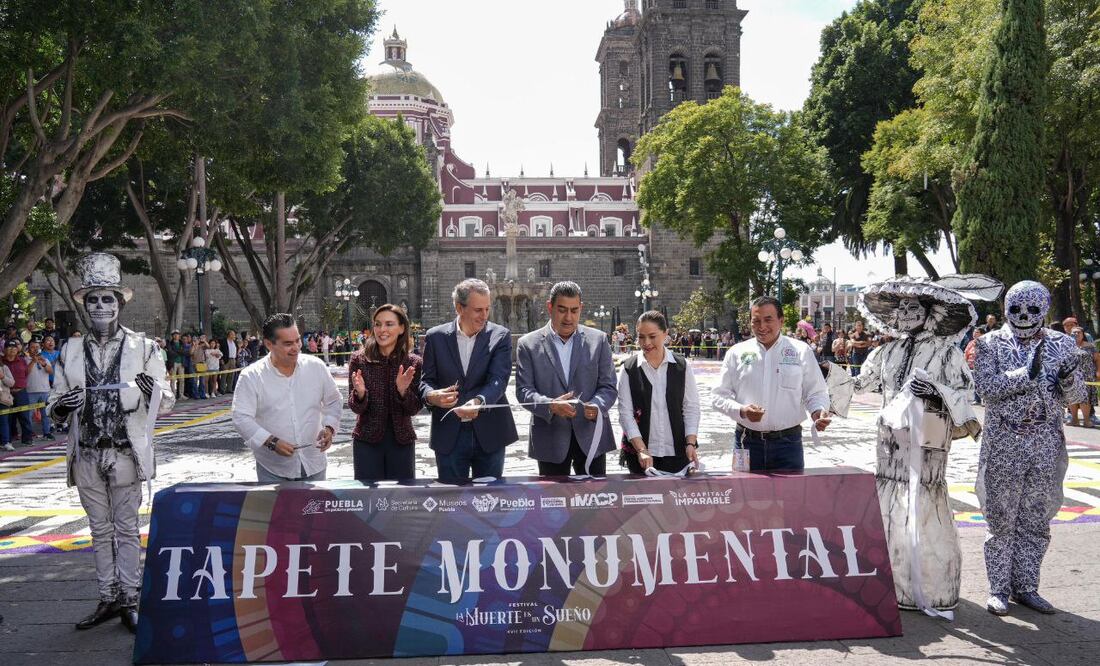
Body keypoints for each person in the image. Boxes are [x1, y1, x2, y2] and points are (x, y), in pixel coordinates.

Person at [46, 253, 174, 632]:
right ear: (84, 306)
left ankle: (130, 599)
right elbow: (54, 401)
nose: (100, 306)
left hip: (124, 454)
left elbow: (166, 401)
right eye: (93, 299)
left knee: (127, 528)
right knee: (98, 530)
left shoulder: (145, 348)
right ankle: (107, 596)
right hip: (86, 453)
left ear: (119, 304)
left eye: (108, 299)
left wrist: (154, 393)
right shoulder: (69, 351)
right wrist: (61, 408)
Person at [849, 278, 982, 615]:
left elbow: (966, 395)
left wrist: (935, 389)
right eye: (902, 308)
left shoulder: (947, 352)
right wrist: (815, 380)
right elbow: (858, 384)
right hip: (890, 446)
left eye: (914, 308)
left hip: (928, 444)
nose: (906, 314)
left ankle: (930, 588)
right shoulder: (886, 351)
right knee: (888, 508)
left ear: (930, 314)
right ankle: (888, 585)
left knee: (924, 504)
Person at [974, 281, 1085, 616]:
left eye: (1033, 310)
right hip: (1004, 442)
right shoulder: (990, 344)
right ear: (1007, 309)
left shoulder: (1063, 345)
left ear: (1045, 309)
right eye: (1017, 309)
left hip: (1046, 443)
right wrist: (1025, 374)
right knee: (1001, 517)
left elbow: (1077, 396)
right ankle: (998, 589)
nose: (1024, 316)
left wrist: (1066, 378)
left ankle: (1027, 587)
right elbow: (986, 390)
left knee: (1036, 518)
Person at [712, 296, 831, 472]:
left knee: (790, 498)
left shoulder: (800, 352)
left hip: (788, 445)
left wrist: (817, 412)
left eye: (768, 320)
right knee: (745, 498)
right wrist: (742, 411)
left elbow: (815, 393)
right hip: (746, 443)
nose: (762, 327)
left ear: (781, 321)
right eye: (756, 321)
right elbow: (717, 397)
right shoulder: (736, 353)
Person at [420, 279, 517, 481]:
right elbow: (426, 381)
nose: (484, 316)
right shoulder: (435, 337)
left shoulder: (500, 336)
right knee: (451, 504)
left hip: (490, 433)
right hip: (449, 434)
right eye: (477, 310)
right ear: (459, 308)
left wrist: (479, 402)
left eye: (487, 309)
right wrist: (431, 396)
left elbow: (499, 380)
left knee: (489, 504)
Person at [516, 281, 617, 476]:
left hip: (591, 436)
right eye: (562, 310)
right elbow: (523, 391)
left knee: (594, 503)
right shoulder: (527, 344)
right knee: (553, 504)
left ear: (581, 308)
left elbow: (608, 386)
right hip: (549, 439)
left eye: (574, 310)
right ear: (550, 307)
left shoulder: (599, 340)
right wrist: (550, 405)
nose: (569, 317)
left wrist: (597, 405)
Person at [232, 313, 341, 483]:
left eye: (298, 341)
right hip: (273, 469)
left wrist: (329, 428)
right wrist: (271, 442)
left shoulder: (316, 367)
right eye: (288, 344)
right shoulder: (251, 376)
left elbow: (333, 400)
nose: (296, 348)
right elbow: (241, 418)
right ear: (269, 344)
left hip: (314, 462)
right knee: (277, 511)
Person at [616, 311, 700, 474]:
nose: (646, 342)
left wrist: (690, 442)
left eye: (652, 336)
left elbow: (691, 408)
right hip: (642, 457)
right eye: (641, 337)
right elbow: (625, 414)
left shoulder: (682, 366)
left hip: (677, 453)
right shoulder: (629, 369)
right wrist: (641, 449)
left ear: (665, 334)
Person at [347, 305, 423, 481]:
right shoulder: (359, 359)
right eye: (378, 324)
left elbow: (414, 408)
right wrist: (360, 394)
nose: (382, 330)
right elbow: (355, 408)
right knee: (369, 502)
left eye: (389, 324)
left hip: (401, 441)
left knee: (402, 501)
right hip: (366, 441)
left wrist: (403, 391)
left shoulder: (414, 362)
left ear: (401, 327)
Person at [2, 339, 33, 449]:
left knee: (25, 417)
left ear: (17, 349)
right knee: (8, 418)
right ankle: (7, 441)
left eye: (14, 347)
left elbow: (26, 373)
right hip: (6, 394)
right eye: (9, 347)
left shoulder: (22, 360)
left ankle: (27, 439)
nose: (12, 349)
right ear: (4, 349)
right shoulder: (1, 362)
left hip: (21, 392)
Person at [1068, 327, 1098, 427]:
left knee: (1085, 399)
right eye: (1074, 332)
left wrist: (1098, 371)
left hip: (1087, 376)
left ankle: (1086, 421)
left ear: (1083, 334)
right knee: (1072, 398)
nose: (1076, 334)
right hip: (1071, 376)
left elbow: (1097, 359)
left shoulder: (1090, 346)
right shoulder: (1067, 346)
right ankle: (1074, 420)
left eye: (1078, 332)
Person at [25, 339, 54, 439]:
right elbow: (25, 373)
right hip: (30, 391)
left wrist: (44, 364)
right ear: (28, 349)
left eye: (37, 347)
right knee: (29, 415)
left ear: (40, 348)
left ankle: (47, 433)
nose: (35, 349)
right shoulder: (25, 360)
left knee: (46, 414)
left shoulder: (45, 359)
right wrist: (33, 361)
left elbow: (51, 372)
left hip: (45, 390)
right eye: (33, 347)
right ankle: (29, 434)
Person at [965, 328, 983, 405]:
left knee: (979, 383)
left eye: (977, 332)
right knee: (972, 383)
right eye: (974, 332)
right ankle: (974, 399)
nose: (974, 334)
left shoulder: (984, 342)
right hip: (970, 366)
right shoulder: (970, 343)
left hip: (980, 367)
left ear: (982, 334)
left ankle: (981, 400)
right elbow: (966, 353)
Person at [166, 331, 186, 398]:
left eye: (177, 334)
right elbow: (170, 353)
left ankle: (181, 394)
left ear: (179, 335)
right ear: (172, 336)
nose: (176, 336)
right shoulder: (170, 343)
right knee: (173, 380)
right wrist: (179, 352)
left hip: (181, 362)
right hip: (173, 363)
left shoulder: (182, 343)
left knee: (182, 380)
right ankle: (173, 395)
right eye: (174, 335)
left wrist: (176, 351)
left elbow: (184, 352)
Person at [189, 334, 207, 399]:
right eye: (194, 340)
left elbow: (208, 346)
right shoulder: (191, 347)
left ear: (199, 341)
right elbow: (191, 353)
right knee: (194, 380)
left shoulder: (201, 346)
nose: (195, 341)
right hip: (193, 365)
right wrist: (194, 346)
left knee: (202, 380)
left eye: (196, 340)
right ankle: (196, 395)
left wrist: (204, 341)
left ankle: (202, 394)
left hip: (201, 364)